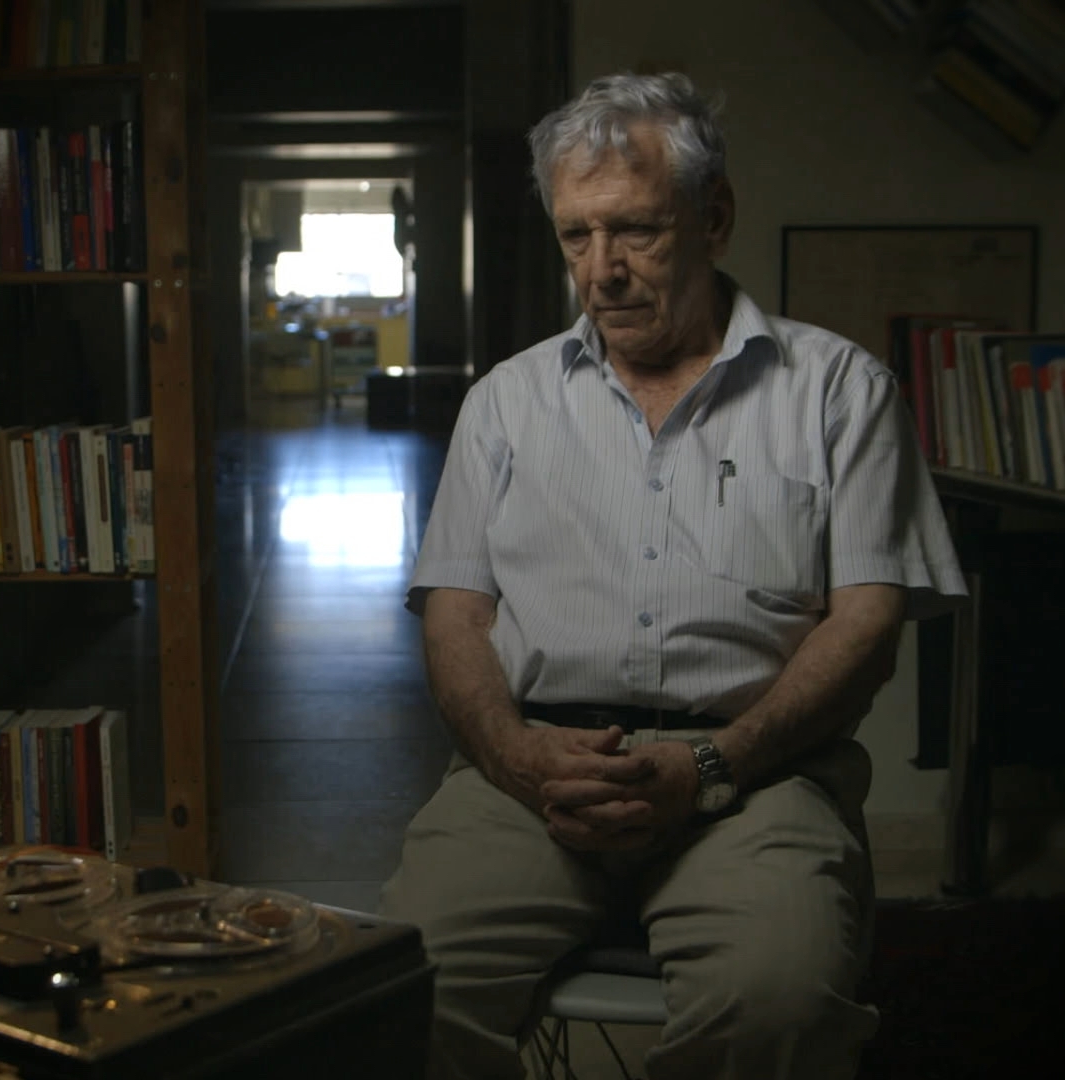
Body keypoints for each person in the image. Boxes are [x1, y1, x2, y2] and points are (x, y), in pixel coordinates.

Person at [379, 72, 967, 1080]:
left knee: (780, 1003)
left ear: (715, 216)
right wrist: (519, 760)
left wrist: (710, 765)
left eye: (636, 231)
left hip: (757, 776)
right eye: (576, 236)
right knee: (391, 994)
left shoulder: (838, 391)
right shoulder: (505, 404)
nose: (600, 270)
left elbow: (866, 624)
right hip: (532, 769)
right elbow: (455, 619)